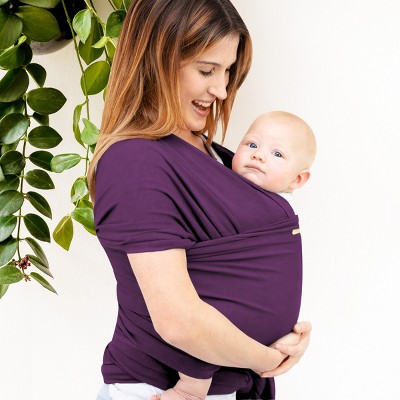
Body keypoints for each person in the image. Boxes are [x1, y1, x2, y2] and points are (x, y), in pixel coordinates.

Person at [90, 1, 313, 399]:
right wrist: (266, 358)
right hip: (161, 388)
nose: (222, 89)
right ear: (156, 60)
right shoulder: (133, 161)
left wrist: (284, 341)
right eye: (207, 70)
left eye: (228, 71)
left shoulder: (208, 150)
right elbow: (178, 321)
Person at [151, 110, 316, 400]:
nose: (259, 155)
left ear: (298, 179)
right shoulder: (232, 192)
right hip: (231, 330)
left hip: (265, 339)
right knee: (208, 325)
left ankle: (192, 387)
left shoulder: (276, 210)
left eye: (277, 154)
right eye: (251, 144)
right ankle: (192, 388)